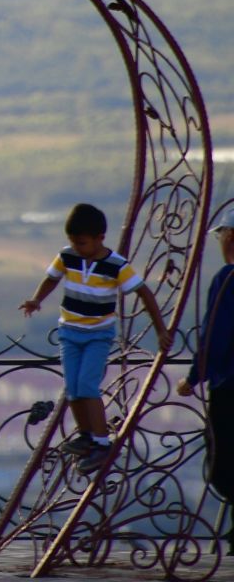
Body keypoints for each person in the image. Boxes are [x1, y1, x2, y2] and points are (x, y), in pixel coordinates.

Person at [19, 202, 170, 474]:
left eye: (83, 243)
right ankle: (87, 435)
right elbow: (52, 278)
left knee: (88, 385)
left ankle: (102, 442)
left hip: (98, 336)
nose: (78, 248)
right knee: (74, 387)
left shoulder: (116, 265)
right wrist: (36, 299)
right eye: (74, 242)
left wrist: (161, 330)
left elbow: (144, 293)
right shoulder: (67, 257)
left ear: (100, 237)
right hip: (69, 333)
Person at [178, 208, 234, 521]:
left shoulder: (228, 279)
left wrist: (194, 377)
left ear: (231, 237)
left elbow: (216, 334)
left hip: (230, 385)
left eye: (221, 235)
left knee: (223, 466)